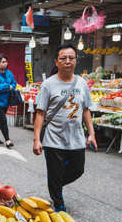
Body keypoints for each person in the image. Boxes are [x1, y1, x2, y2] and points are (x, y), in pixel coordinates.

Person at [33, 44, 97, 212]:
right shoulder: (48, 84)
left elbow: (85, 110)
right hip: (53, 139)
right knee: (55, 174)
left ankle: (54, 183)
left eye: (71, 58)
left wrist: (91, 134)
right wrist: (37, 139)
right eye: (63, 58)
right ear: (56, 61)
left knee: (78, 169)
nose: (67, 61)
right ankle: (58, 202)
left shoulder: (82, 83)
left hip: (76, 138)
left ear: (76, 61)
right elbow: (40, 113)